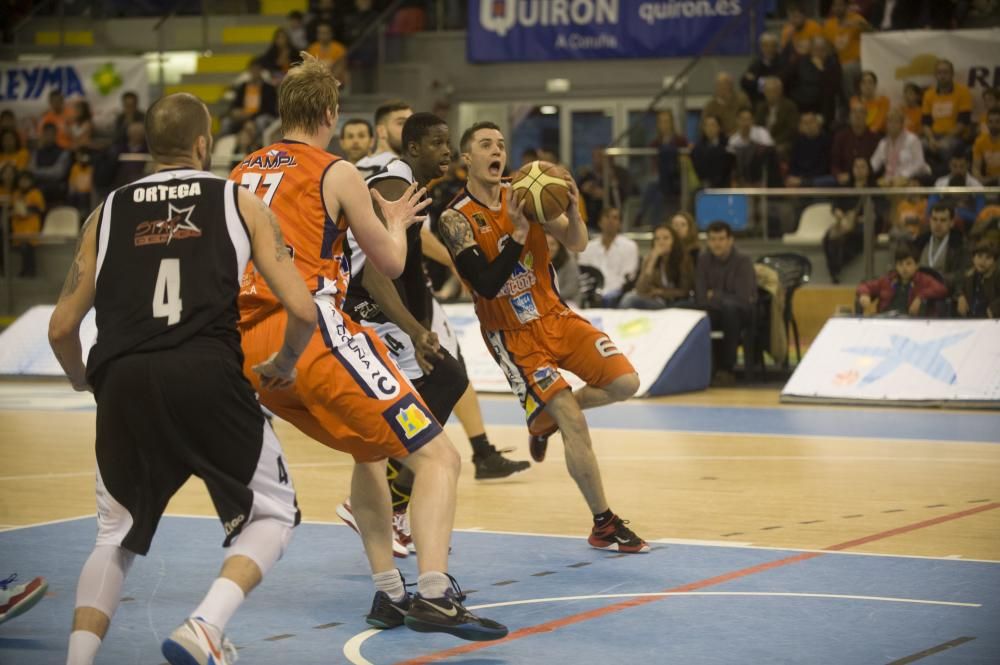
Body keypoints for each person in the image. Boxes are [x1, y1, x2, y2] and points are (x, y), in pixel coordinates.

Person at [230, 55, 507, 640]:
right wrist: (399, 218)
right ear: (331, 114)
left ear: (282, 111)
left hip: (251, 349)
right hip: (311, 332)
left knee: (368, 451)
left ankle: (388, 594)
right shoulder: (336, 171)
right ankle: (434, 595)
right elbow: (390, 262)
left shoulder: (241, 172)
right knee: (439, 458)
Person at [49, 92, 316, 665]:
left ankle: (76, 660)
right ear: (203, 144)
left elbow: (61, 328)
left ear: (149, 147)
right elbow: (302, 307)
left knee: (112, 536)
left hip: (122, 378)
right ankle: (205, 626)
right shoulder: (238, 200)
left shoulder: (108, 210)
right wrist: (285, 364)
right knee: (273, 512)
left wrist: (84, 382)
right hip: (205, 370)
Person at [439, 121, 649, 553]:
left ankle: (545, 419)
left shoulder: (527, 191)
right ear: (467, 159)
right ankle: (604, 523)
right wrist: (517, 235)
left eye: (500, 144)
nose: (497, 151)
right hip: (513, 335)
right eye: (485, 145)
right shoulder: (454, 218)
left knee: (627, 383)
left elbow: (577, 243)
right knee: (574, 418)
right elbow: (485, 284)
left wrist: (572, 209)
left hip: (554, 313)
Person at [336, 113, 530, 560]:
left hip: (385, 315)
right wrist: (416, 329)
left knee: (445, 384)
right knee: (433, 394)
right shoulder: (392, 186)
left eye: (448, 143)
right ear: (413, 149)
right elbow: (372, 277)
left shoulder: (413, 188)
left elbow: (406, 259)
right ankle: (377, 503)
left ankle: (388, 503)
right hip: (366, 317)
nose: (447, 151)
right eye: (438, 143)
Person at [695, 220, 757, 385]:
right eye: (713, 239)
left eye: (721, 239)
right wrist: (720, 297)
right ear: (708, 241)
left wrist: (714, 295)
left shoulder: (743, 261)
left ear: (730, 240)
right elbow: (701, 297)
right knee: (688, 311)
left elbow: (743, 297)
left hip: (742, 312)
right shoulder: (703, 259)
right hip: (713, 309)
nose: (717, 243)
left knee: (730, 310)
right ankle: (700, 368)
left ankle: (726, 369)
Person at [857, 244, 948, 316]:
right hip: (885, 321)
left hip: (911, 324)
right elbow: (864, 286)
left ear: (917, 265)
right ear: (896, 266)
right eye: (900, 264)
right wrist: (864, 294)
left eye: (908, 264)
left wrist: (920, 297)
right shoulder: (888, 280)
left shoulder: (924, 279)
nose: (904, 268)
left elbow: (942, 289)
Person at [620, 224, 694, 309]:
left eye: (666, 238)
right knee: (629, 298)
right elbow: (640, 289)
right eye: (657, 239)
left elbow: (685, 291)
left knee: (630, 299)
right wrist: (652, 260)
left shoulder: (683, 259)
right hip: (657, 301)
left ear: (674, 241)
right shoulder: (650, 258)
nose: (661, 242)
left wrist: (659, 292)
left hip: (677, 302)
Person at [823, 156, 872, 283]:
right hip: (844, 222)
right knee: (828, 237)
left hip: (863, 224)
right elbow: (835, 205)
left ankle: (837, 269)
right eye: (856, 167)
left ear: (868, 170)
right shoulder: (846, 187)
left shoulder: (873, 188)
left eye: (863, 167)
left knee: (851, 237)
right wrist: (837, 212)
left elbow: (880, 211)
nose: (859, 170)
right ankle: (834, 270)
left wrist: (863, 218)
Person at [577, 207, 639, 306]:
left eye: (615, 218)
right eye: (607, 217)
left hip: (618, 294)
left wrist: (608, 294)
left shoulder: (630, 246)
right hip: (592, 293)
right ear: (600, 222)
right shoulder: (587, 247)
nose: (610, 221)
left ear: (620, 224)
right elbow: (584, 274)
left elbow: (628, 276)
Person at [922, 59, 973, 172]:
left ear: (952, 74)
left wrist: (944, 140)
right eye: (939, 72)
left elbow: (963, 122)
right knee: (919, 145)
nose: (942, 76)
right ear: (935, 75)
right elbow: (926, 123)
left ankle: (944, 180)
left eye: (945, 72)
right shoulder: (929, 94)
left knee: (946, 147)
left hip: (955, 136)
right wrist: (931, 139)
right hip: (934, 136)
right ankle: (926, 176)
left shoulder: (963, 92)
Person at [823, 0, 871, 113]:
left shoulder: (856, 19)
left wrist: (860, 25)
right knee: (828, 70)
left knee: (845, 70)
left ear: (847, 6)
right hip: (839, 63)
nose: (837, 8)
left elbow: (873, 33)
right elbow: (827, 47)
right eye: (835, 5)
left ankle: (853, 106)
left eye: (840, 5)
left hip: (859, 62)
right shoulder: (829, 24)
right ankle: (833, 111)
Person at [786, 36, 842, 127]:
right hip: (800, 103)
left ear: (827, 50)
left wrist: (822, 70)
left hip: (821, 107)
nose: (819, 53)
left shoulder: (833, 64)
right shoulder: (802, 60)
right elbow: (786, 76)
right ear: (811, 50)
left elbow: (832, 89)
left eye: (822, 50)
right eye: (816, 49)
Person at [914, 202, 967, 291]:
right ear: (929, 221)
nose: (938, 224)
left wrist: (939, 279)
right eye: (934, 219)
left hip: (944, 291)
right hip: (918, 289)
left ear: (951, 223)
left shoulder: (959, 245)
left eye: (943, 220)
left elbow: (963, 274)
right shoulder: (919, 242)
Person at [870, 108, 930, 186]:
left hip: (910, 178)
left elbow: (919, 163)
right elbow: (874, 163)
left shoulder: (912, 140)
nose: (892, 125)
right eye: (889, 121)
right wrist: (864, 171)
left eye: (895, 121)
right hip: (889, 179)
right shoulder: (883, 143)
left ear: (902, 124)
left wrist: (903, 176)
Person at [356, 100, 412, 178]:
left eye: (411, 123)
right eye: (401, 123)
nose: (409, 128)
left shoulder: (359, 165)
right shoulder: (398, 167)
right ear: (381, 131)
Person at [222, 59, 278, 136]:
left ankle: (260, 144)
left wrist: (251, 115)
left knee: (261, 121)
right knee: (226, 122)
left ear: (261, 71)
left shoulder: (269, 88)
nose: (254, 72)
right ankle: (226, 145)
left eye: (256, 69)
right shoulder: (243, 86)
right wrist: (234, 111)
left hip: (259, 115)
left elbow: (269, 109)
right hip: (243, 115)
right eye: (252, 69)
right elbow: (235, 104)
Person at [831, 104, 880, 186]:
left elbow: (878, 165)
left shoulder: (875, 138)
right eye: (854, 112)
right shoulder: (840, 137)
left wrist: (866, 175)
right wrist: (838, 174)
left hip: (869, 180)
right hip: (845, 179)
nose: (858, 115)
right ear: (849, 116)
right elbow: (834, 163)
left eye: (861, 112)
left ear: (867, 116)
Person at [754, 77, 799, 160]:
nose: (770, 94)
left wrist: (773, 142)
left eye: (773, 91)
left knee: (777, 151)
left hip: (782, 141)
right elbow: (757, 127)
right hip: (763, 141)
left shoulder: (789, 106)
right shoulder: (761, 107)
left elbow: (791, 129)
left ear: (780, 91)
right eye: (767, 91)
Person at [786, 111, 834, 187]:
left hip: (818, 178)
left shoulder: (826, 141)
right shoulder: (798, 142)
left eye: (811, 122)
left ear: (818, 123)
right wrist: (794, 177)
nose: (808, 126)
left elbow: (824, 167)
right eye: (805, 123)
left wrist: (803, 180)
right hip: (799, 177)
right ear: (801, 126)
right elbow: (793, 165)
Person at [11, 170, 45, 277]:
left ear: (31, 181)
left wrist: (27, 209)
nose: (24, 183)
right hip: (19, 227)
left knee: (28, 249)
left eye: (27, 180)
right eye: (22, 180)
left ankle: (30, 271)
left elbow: (40, 209)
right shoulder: (15, 194)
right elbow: (13, 208)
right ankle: (24, 270)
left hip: (31, 226)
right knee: (23, 249)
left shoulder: (36, 193)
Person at [955, 241, 1000, 318]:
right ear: (973, 258)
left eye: (988, 258)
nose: (982, 261)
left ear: (994, 262)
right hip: (971, 320)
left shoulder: (997, 276)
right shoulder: (969, 275)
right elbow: (958, 286)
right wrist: (960, 296)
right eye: (979, 256)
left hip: (991, 322)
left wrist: (994, 308)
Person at [741, 32, 785, 106]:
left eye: (772, 46)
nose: (769, 49)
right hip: (758, 101)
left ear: (776, 47)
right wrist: (765, 82)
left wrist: (756, 80)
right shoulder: (756, 62)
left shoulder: (782, 62)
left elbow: (777, 85)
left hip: (777, 102)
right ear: (761, 47)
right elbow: (744, 82)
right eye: (765, 46)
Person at [703, 72, 752, 137]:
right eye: (719, 84)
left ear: (731, 85)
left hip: (740, 137)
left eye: (725, 84)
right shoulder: (710, 106)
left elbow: (750, 118)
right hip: (719, 141)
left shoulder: (742, 100)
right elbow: (703, 126)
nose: (722, 87)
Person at [691, 115, 733, 188]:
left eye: (713, 125)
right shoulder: (698, 149)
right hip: (705, 185)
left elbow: (728, 168)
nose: (710, 128)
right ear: (704, 128)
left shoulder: (727, 146)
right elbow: (698, 169)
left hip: (724, 186)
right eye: (707, 126)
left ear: (719, 128)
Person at [546, 231, 581, 306]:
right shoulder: (537, 263)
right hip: (546, 302)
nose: (549, 248)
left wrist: (550, 297)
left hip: (568, 300)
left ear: (559, 246)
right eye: (545, 244)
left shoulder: (569, 262)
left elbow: (571, 288)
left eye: (552, 244)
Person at [973, 108, 1000, 186]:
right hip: (988, 179)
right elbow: (975, 168)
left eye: (997, 121)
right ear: (987, 123)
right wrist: (980, 179)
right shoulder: (980, 142)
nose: (993, 125)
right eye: (990, 122)